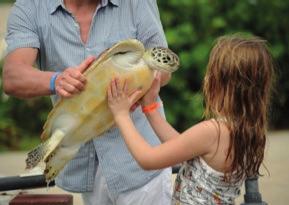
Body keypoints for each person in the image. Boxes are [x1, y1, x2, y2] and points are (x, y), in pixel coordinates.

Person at [3, 0, 173, 204]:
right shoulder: (31, 7)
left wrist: (140, 89)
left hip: (142, 168)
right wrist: (56, 80)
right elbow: (13, 77)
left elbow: (164, 70)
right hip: (83, 161)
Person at [107, 35, 275, 204]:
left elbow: (148, 159)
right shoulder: (247, 131)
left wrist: (121, 115)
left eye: (211, 73)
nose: (206, 78)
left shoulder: (213, 131)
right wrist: (150, 108)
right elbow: (182, 148)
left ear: (221, 83)